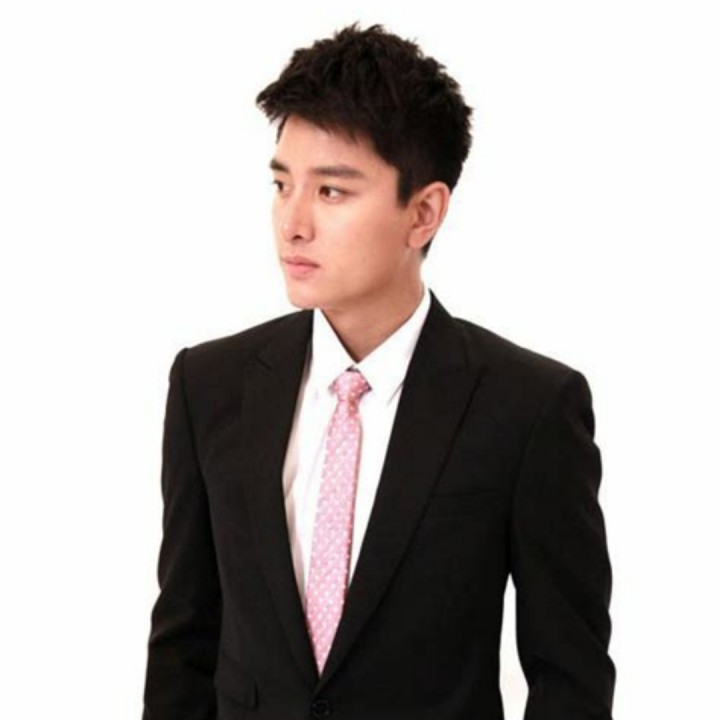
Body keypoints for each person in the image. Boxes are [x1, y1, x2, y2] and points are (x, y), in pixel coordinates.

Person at [142, 23, 615, 720]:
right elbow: (183, 644)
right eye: (282, 184)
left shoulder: (529, 408)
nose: (292, 223)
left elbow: (570, 678)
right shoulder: (209, 386)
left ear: (423, 213)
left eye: (332, 192)